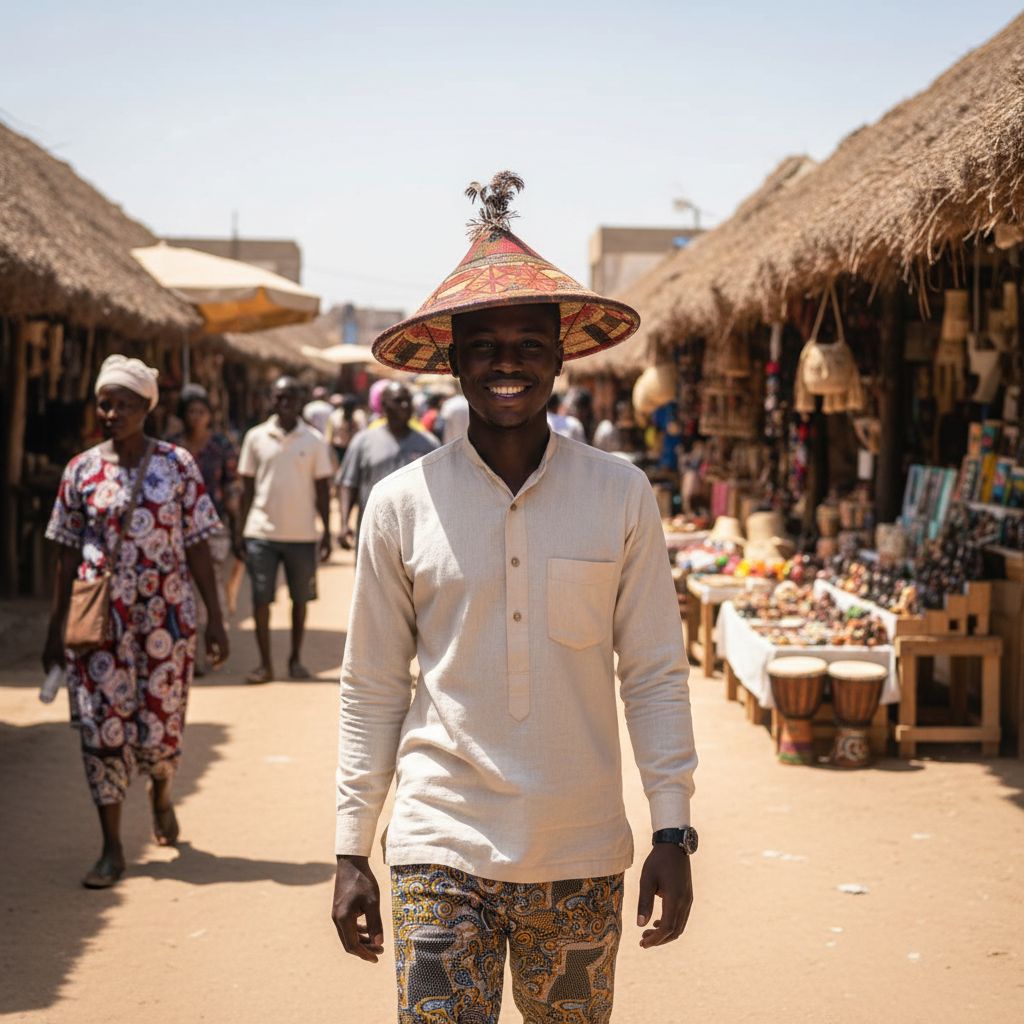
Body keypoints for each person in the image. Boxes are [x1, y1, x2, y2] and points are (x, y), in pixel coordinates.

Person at [332, 173, 697, 1023]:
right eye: (484, 345)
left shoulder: (619, 494)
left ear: (559, 357)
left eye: (529, 343)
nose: (507, 363)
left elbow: (653, 671)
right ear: (453, 360)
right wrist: (351, 845)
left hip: (581, 852)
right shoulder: (401, 504)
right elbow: (372, 685)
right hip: (438, 844)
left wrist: (672, 828)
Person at [42, 355, 229, 889]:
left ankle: (162, 791)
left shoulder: (177, 465)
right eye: (106, 403)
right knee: (102, 728)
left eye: (124, 404)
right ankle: (112, 847)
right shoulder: (80, 470)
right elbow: (65, 554)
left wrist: (215, 619)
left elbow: (198, 545)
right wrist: (55, 627)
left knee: (160, 725)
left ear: (148, 407)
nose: (112, 413)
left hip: (165, 619)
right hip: (100, 621)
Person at [238, 376, 334, 684]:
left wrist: (326, 531)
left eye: (290, 397)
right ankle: (265, 664)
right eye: (279, 397)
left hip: (302, 534)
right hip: (261, 532)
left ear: (300, 400)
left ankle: (295, 660)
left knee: (300, 600)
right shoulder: (255, 437)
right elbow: (246, 488)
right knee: (260, 599)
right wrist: (240, 531)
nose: (284, 403)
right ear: (271, 400)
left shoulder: (314, 441)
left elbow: (322, 490)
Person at [168, 384, 240, 673]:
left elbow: (231, 486)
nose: (196, 417)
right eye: (191, 411)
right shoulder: (172, 448)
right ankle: (192, 653)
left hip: (214, 527)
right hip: (176, 528)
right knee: (183, 589)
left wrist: (237, 527)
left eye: (201, 411)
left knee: (211, 584)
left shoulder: (220, 446)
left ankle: (212, 645)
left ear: (210, 415)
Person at [337, 382, 439, 549]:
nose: (405, 405)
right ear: (384, 406)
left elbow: (439, 487)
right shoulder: (364, 441)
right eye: (398, 401)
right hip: (373, 534)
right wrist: (344, 523)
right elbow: (348, 484)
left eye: (408, 400)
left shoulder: (429, 444)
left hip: (417, 536)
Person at [326, 393, 366, 467]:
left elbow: (363, 432)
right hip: (339, 450)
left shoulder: (359, 416)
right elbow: (329, 437)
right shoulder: (334, 416)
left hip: (355, 449)